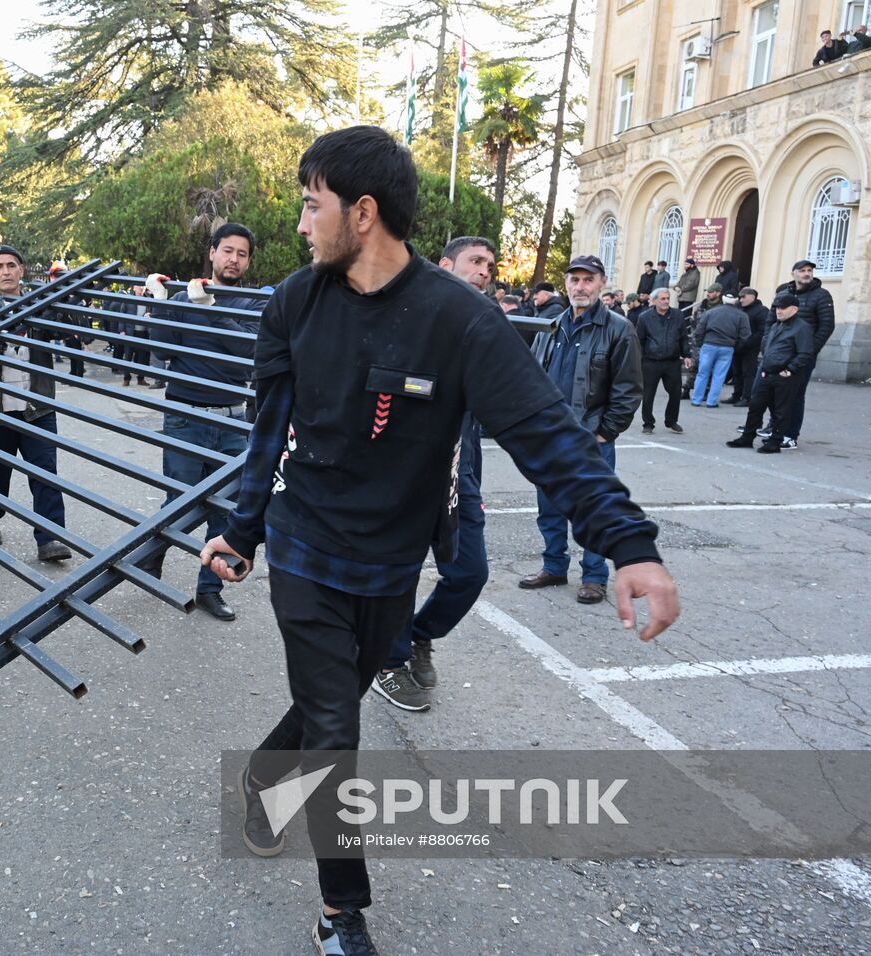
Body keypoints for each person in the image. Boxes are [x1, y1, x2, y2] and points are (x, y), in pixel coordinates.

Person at [202, 126, 678, 956]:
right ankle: (340, 912)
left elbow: (546, 433)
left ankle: (259, 779)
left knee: (333, 705)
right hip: (305, 546)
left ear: (363, 212)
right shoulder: (293, 304)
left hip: (392, 559)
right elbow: (267, 432)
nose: (301, 225)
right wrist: (241, 530)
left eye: (312, 207)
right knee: (334, 726)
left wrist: (628, 542)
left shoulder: (459, 321)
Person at [371, 235, 496, 714]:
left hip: (458, 471)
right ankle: (389, 660)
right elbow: (385, 381)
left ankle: (420, 637)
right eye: (475, 261)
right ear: (445, 266)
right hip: (404, 470)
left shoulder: (486, 326)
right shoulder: (412, 317)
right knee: (398, 573)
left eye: (489, 264)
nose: (484, 271)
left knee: (470, 572)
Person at [146, 222, 266, 622]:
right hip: (185, 416)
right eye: (227, 251)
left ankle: (209, 590)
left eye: (242, 254)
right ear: (212, 252)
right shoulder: (185, 295)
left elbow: (246, 349)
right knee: (177, 501)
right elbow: (162, 348)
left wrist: (210, 310)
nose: (234, 259)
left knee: (226, 510)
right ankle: (150, 559)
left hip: (233, 420)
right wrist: (162, 300)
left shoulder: (252, 304)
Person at [520, 253, 643, 606]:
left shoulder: (619, 328)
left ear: (602, 283)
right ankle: (554, 566)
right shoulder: (552, 326)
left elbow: (628, 388)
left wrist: (605, 432)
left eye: (588, 279)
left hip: (590, 439)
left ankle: (593, 577)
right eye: (574, 280)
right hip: (549, 437)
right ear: (566, 284)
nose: (580, 286)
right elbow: (534, 379)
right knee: (549, 507)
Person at [0, 244, 72, 562]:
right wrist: (0, 336)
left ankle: (49, 538)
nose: (6, 271)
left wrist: (39, 320)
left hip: (37, 406)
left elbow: (64, 327)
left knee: (45, 472)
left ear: (21, 270)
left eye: (12, 265)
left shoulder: (39, 302)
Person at [727, 293, 813, 454]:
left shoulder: (802, 327)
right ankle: (747, 437)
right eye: (777, 307)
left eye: (782, 308)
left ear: (794, 309)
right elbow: (768, 347)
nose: (778, 311)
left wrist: (789, 370)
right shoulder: (776, 326)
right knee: (755, 406)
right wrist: (765, 367)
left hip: (785, 376)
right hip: (768, 372)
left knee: (781, 411)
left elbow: (805, 353)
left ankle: (775, 441)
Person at [769, 259, 836, 449]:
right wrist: (768, 348)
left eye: (809, 271)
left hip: (802, 356)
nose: (807, 273)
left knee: (795, 395)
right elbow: (770, 322)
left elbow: (826, 326)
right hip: (778, 354)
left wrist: (808, 352)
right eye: (802, 270)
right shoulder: (783, 293)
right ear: (794, 274)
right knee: (774, 393)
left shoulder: (822, 295)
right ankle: (776, 429)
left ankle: (790, 435)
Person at [634, 288, 687, 435]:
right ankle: (648, 423)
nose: (666, 302)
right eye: (662, 299)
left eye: (667, 298)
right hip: (651, 362)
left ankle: (671, 421)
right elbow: (640, 340)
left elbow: (683, 336)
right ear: (655, 300)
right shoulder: (644, 317)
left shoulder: (677, 315)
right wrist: (641, 359)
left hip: (672, 361)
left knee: (676, 393)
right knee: (648, 394)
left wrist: (686, 354)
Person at [689, 294, 750, 407]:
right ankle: (711, 402)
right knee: (719, 375)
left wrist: (700, 343)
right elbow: (745, 336)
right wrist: (736, 347)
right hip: (727, 347)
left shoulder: (711, 312)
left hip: (709, 345)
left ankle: (696, 400)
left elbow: (699, 330)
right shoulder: (742, 315)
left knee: (702, 373)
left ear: (723, 299)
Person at [731, 287, 769, 406]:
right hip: (737, 346)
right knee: (736, 372)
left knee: (748, 373)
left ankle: (747, 397)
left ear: (752, 297)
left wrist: (747, 343)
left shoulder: (761, 311)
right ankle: (737, 395)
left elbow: (762, 330)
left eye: (744, 297)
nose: (741, 300)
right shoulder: (738, 308)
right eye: (740, 297)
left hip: (750, 348)